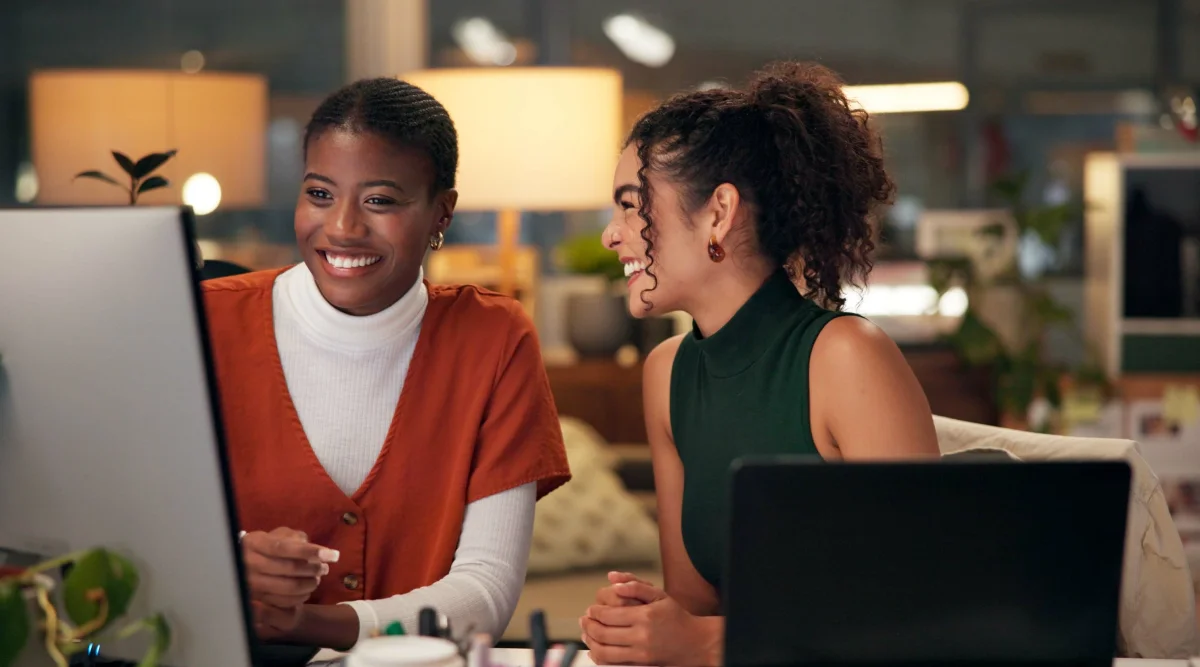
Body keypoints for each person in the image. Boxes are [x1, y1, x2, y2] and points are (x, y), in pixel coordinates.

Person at [581, 61, 941, 666]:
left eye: (630, 205)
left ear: (718, 212)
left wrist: (701, 642)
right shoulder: (667, 372)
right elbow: (697, 606)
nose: (611, 236)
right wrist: (647, 626)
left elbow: (926, 608)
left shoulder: (847, 357)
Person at [202, 77, 571, 651]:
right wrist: (222, 560)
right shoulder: (206, 322)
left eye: (380, 200)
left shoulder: (494, 340)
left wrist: (312, 625)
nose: (343, 227)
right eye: (320, 194)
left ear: (440, 213)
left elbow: (486, 590)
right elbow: (126, 535)